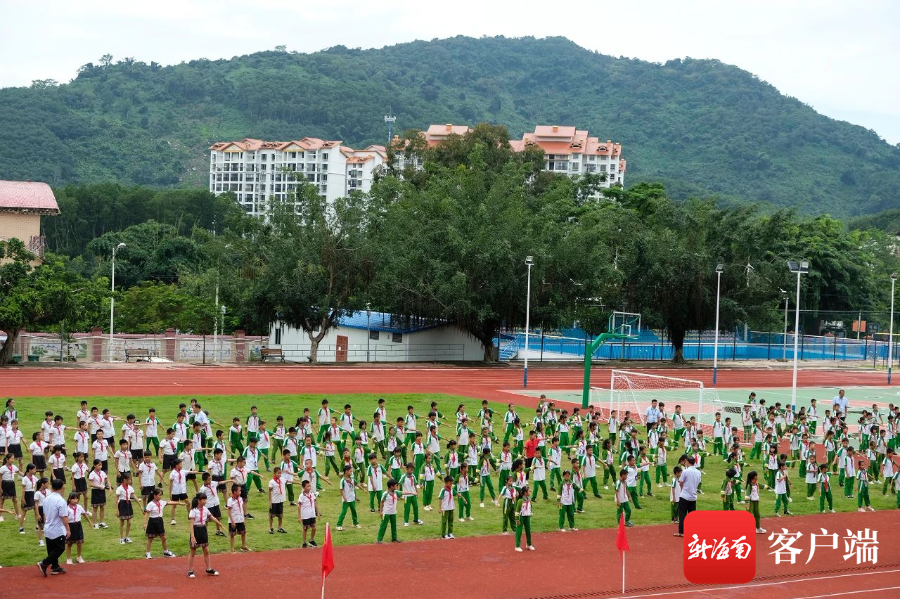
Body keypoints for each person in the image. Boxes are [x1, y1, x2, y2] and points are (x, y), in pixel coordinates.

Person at [37, 479, 70, 577]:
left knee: (51, 549)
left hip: (48, 527)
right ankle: (44, 563)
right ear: (62, 487)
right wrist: (68, 529)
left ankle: (55, 567)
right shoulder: (61, 501)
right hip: (57, 529)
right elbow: (63, 516)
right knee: (60, 548)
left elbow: (44, 513)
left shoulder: (47, 498)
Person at [187, 492, 222, 578]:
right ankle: (190, 570)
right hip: (196, 530)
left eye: (205, 499)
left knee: (206, 550)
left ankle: (208, 568)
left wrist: (218, 523)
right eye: (203, 499)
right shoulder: (193, 511)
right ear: (199, 500)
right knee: (193, 551)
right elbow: (191, 524)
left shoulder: (206, 509)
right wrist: (192, 536)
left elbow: (211, 517)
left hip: (203, 530)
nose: (205, 501)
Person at [143, 488, 184, 559]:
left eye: (161, 495)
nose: (160, 497)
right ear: (155, 495)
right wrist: (145, 523)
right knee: (150, 538)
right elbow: (146, 514)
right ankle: (148, 553)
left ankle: (166, 551)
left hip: (159, 521)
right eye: (159, 495)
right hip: (152, 521)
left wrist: (179, 503)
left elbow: (170, 502)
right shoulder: (150, 504)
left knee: (164, 538)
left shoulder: (161, 502)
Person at [64, 491, 93, 565]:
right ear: (69, 499)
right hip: (70, 525)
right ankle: (69, 558)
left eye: (76, 499)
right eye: (73, 499)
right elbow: (65, 518)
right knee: (69, 543)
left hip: (78, 525)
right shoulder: (66, 508)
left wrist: (89, 522)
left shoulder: (79, 507)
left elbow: (84, 514)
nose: (75, 500)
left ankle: (79, 556)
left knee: (79, 543)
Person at [675, 456, 701, 537]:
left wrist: (683, 488)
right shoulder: (698, 472)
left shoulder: (685, 471)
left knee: (682, 513)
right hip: (693, 496)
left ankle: (681, 531)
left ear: (688, 462)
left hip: (685, 495)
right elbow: (699, 482)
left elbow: (681, 482)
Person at [116, 473, 142, 544]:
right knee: (122, 522)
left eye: (130, 479)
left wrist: (140, 506)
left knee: (129, 522)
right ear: (124, 480)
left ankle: (126, 537)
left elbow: (134, 496)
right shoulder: (119, 488)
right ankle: (121, 538)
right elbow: (117, 499)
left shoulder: (130, 488)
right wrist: (117, 510)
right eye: (128, 480)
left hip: (128, 504)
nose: (130, 481)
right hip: (122, 504)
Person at [225, 483, 250, 552]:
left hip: (240, 519)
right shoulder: (230, 500)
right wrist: (232, 521)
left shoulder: (240, 499)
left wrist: (243, 517)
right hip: (233, 519)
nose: (240, 492)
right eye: (239, 491)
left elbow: (241, 508)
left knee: (243, 532)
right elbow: (229, 511)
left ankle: (243, 545)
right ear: (235, 492)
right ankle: (232, 548)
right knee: (232, 534)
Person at [376, 478, 400, 544]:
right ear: (391, 486)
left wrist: (412, 492)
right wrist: (381, 511)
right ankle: (379, 539)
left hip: (393, 512)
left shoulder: (396, 492)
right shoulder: (385, 494)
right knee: (383, 525)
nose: (396, 487)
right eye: (395, 485)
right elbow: (381, 502)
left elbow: (403, 493)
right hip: (386, 513)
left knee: (394, 525)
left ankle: (394, 538)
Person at [298, 479, 319, 548]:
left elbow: (315, 503)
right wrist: (299, 517)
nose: (309, 488)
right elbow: (299, 506)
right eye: (307, 486)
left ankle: (311, 540)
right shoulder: (302, 496)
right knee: (305, 529)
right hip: (305, 515)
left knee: (314, 528)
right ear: (303, 488)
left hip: (312, 514)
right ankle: (304, 542)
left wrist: (317, 512)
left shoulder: (312, 494)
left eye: (310, 486)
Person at [514, 485, 535, 551]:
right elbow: (517, 511)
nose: (530, 492)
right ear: (525, 493)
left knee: (528, 530)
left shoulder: (529, 499)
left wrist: (531, 512)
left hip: (527, 516)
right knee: (519, 531)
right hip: (521, 517)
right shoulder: (520, 501)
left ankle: (529, 544)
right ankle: (517, 546)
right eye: (529, 491)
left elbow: (530, 506)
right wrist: (517, 519)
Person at [438, 475, 458, 539]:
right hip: (445, 508)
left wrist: (460, 496)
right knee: (444, 521)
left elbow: (456, 493)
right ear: (446, 483)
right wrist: (440, 508)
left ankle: (450, 533)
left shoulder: (452, 489)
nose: (451, 484)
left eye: (452, 483)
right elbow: (440, 498)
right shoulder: (443, 490)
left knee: (451, 520)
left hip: (451, 507)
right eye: (450, 483)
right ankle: (443, 534)